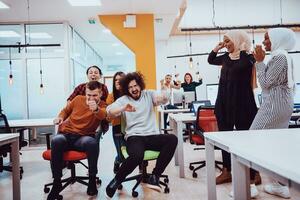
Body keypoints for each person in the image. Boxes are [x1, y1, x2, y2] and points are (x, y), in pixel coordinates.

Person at [105, 72, 178, 198]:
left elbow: (163, 99)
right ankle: (117, 180)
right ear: (126, 89)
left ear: (140, 85)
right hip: (135, 137)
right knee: (137, 155)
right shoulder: (123, 100)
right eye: (130, 87)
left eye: (135, 85)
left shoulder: (149, 94)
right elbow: (109, 111)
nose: (134, 89)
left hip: (152, 135)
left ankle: (155, 176)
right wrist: (123, 109)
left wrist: (165, 87)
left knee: (172, 139)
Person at [207, 30, 260, 196]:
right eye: (224, 41)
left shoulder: (248, 57)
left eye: (228, 41)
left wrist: (242, 50)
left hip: (243, 105)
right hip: (223, 104)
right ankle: (227, 171)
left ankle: (253, 173)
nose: (226, 44)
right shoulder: (224, 57)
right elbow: (210, 60)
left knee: (246, 140)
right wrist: (217, 47)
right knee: (224, 138)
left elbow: (245, 66)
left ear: (238, 41)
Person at [251, 28, 296, 199]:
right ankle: (279, 185)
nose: (264, 42)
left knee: (250, 138)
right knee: (276, 143)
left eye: (267, 39)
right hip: (284, 103)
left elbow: (265, 83)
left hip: (275, 105)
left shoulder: (278, 57)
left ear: (277, 39)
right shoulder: (284, 55)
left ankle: (248, 185)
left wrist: (259, 61)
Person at [47, 81, 107, 200]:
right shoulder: (78, 99)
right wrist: (60, 117)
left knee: (92, 143)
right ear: (85, 92)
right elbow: (66, 110)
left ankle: (91, 180)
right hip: (66, 134)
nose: (90, 98)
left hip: (83, 138)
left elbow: (103, 115)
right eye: (88, 95)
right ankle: (57, 182)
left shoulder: (103, 105)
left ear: (100, 94)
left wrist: (95, 109)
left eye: (94, 95)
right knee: (56, 141)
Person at [67, 65, 109, 133]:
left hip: (96, 119)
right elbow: (70, 100)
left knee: (93, 139)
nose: (93, 74)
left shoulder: (103, 88)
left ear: (100, 75)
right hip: (79, 120)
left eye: (96, 73)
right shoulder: (80, 87)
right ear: (87, 75)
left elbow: (104, 105)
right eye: (91, 72)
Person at [106, 71, 126, 174]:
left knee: (132, 151)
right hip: (117, 127)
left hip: (131, 127)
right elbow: (109, 116)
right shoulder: (111, 96)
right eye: (116, 80)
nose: (117, 82)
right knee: (121, 155)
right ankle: (117, 161)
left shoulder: (130, 94)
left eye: (120, 79)